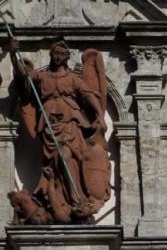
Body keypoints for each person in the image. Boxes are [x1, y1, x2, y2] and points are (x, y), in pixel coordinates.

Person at [6, 37, 111, 225]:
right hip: (49, 125)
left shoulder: (73, 78)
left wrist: (100, 115)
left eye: (62, 54)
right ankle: (55, 197)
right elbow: (24, 77)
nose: (58, 57)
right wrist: (14, 54)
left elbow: (88, 95)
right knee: (53, 162)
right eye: (55, 53)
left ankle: (75, 199)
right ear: (51, 55)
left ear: (66, 57)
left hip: (71, 124)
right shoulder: (43, 76)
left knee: (67, 158)